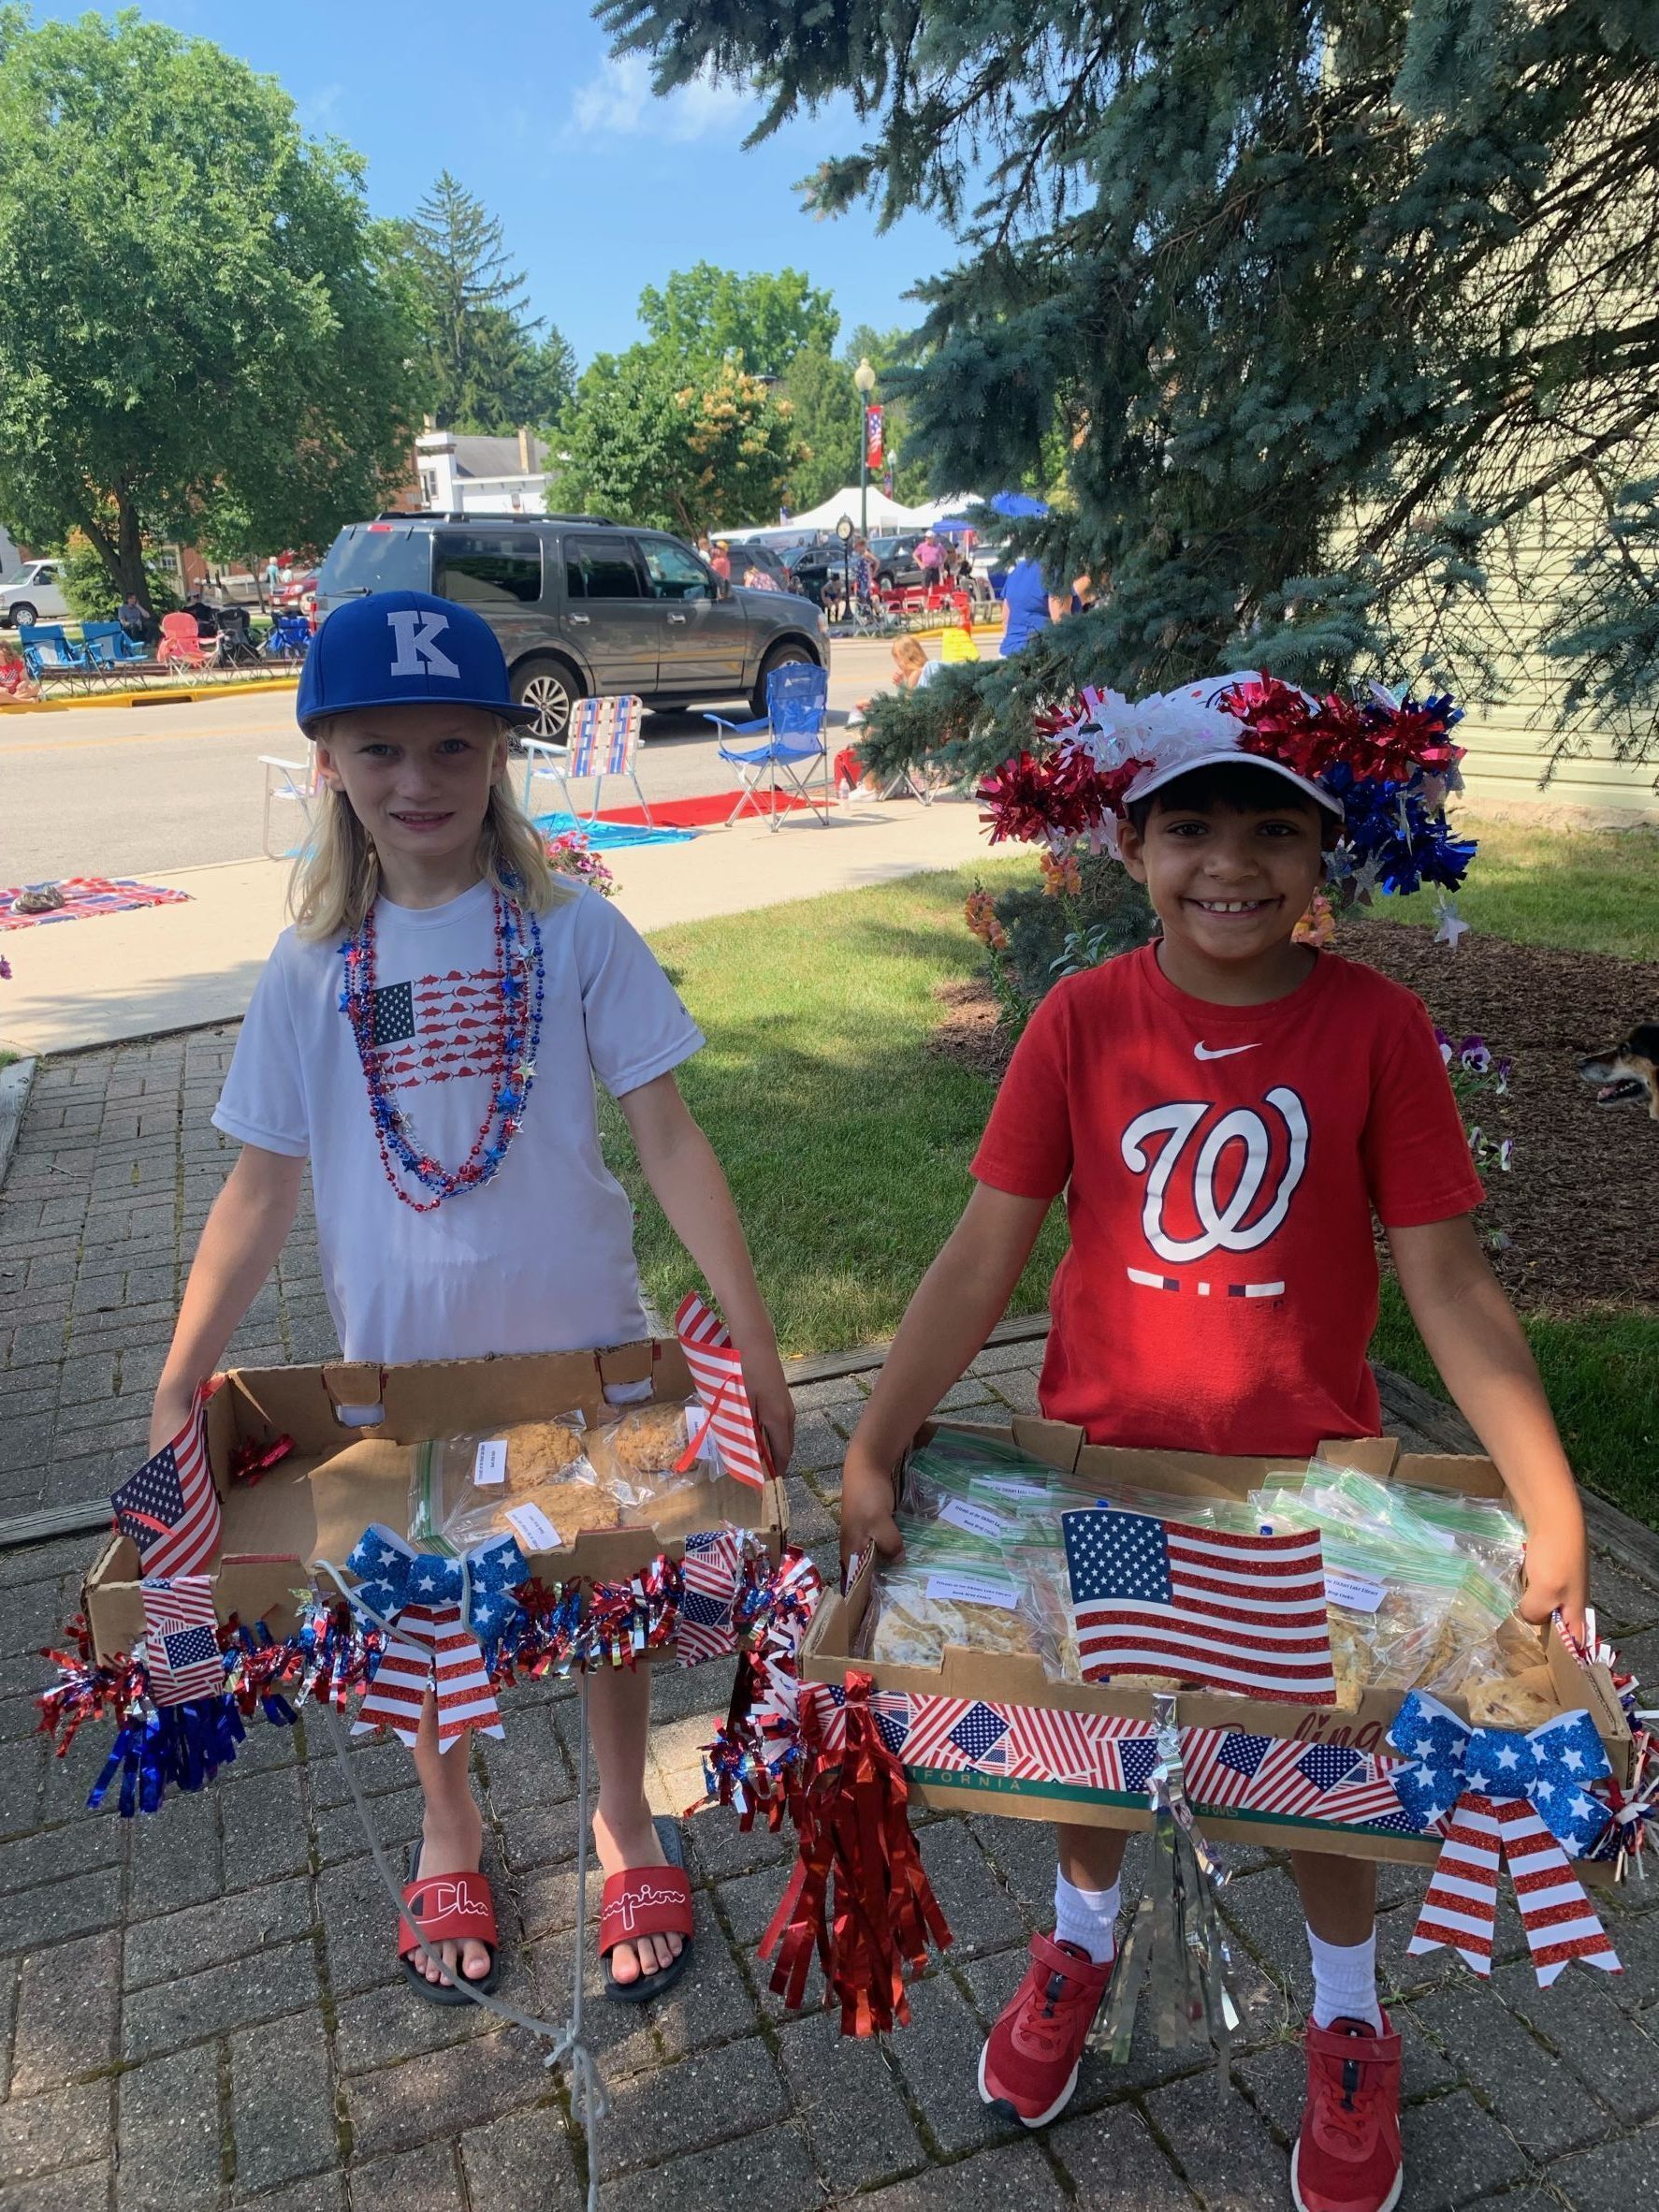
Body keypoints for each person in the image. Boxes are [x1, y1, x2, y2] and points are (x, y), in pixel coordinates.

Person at [839, 682, 1588, 2212]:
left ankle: (1342, 2006)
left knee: (1319, 1763)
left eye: (1270, 828)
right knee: (1097, 1731)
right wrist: (876, 1436)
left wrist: (1544, 1491)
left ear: (1328, 849)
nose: (1227, 863)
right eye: (1190, 825)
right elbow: (983, 1250)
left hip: (1308, 1497)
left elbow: (1445, 1275)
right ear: (1128, 840)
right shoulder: (1081, 1020)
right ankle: (1078, 1934)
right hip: (1109, 1476)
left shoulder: (1373, 1030)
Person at [148, 589, 793, 2005]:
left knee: (608, 1589)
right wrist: (176, 1374)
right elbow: (259, 1188)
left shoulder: (573, 934)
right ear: (327, 759)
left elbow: (670, 1137)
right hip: (404, 1367)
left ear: (501, 752)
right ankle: (454, 1815)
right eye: (378, 750)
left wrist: (750, 1335)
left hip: (583, 1353)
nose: (416, 781)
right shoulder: (312, 969)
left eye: (452, 747)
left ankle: (624, 1808)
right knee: (425, 1597)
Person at [836, 634, 931, 800]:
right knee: (872, 728)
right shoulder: (920, 673)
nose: (897, 663)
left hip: (913, 735)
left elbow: (906, 709)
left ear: (906, 656)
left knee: (870, 732)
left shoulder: (916, 674)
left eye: (897, 658)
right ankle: (886, 782)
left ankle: (872, 786)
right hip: (919, 731)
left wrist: (876, 704)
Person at [998, 556, 1070, 656]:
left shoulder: (1017, 570)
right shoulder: (1055, 571)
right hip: (1041, 654)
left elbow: (1005, 617)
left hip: (1010, 649)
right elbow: (1060, 621)